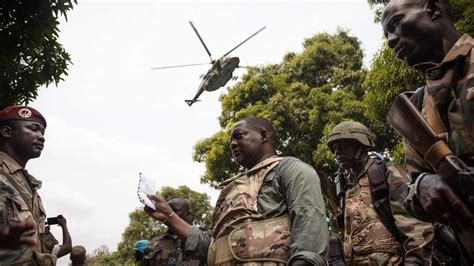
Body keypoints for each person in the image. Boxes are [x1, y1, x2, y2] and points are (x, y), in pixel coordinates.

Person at [145, 117, 328, 265]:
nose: (232, 144)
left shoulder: (290, 169)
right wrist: (169, 216)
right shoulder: (232, 189)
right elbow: (214, 249)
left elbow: (309, 222)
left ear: (263, 135)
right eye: (231, 140)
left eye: (239, 136)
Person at [381, 0, 474, 263]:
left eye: (395, 24)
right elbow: (411, 189)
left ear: (432, 9)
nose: (390, 40)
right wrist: (424, 186)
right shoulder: (417, 107)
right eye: (386, 34)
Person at [327, 121, 434, 265]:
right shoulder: (347, 187)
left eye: (344, 146)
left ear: (361, 145)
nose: (337, 152)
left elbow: (417, 227)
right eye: (334, 148)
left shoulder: (387, 174)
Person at [0, 105, 56, 265]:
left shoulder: (29, 184)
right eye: (34, 129)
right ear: (7, 132)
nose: (41, 137)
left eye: (42, 132)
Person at [144, 198, 204, 265]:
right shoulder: (153, 244)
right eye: (167, 210)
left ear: (188, 214)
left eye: (174, 211)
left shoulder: (202, 242)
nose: (168, 213)